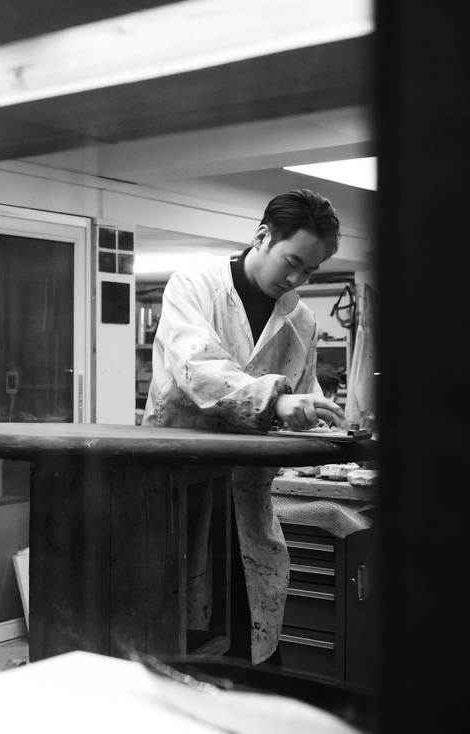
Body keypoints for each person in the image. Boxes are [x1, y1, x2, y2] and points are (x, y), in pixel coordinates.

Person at [143, 189, 346, 665]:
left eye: (310, 271)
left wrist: (319, 418)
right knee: (182, 639)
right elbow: (198, 368)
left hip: (250, 499)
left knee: (249, 634)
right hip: (182, 488)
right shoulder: (194, 286)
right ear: (262, 236)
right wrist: (276, 400)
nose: (296, 279)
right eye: (292, 262)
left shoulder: (301, 319)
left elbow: (301, 395)